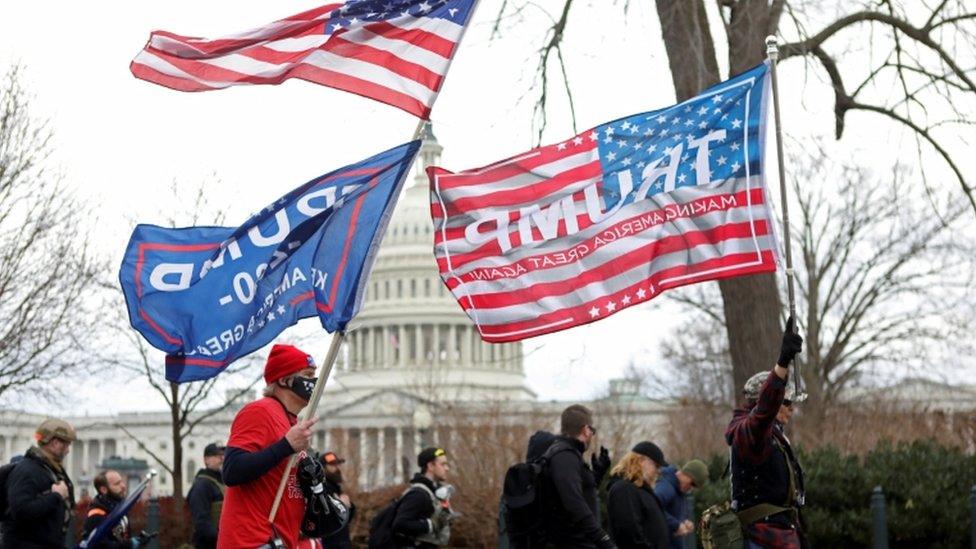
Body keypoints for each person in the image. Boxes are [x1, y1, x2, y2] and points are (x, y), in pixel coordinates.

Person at [218, 344, 320, 549]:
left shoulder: (291, 422)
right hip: (252, 541)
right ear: (284, 380)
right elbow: (232, 470)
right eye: (308, 375)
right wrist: (286, 446)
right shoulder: (260, 411)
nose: (314, 382)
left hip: (280, 541)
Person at [725, 318, 807, 548]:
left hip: (781, 534)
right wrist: (782, 363)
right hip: (762, 538)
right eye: (787, 401)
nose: (791, 408)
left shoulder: (773, 435)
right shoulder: (751, 433)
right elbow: (763, 414)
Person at [541, 404, 615, 549]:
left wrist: (596, 476)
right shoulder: (565, 456)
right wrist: (604, 540)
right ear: (586, 430)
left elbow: (576, 494)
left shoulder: (568, 454)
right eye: (592, 430)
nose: (592, 435)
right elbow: (574, 503)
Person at [1, 418, 76, 549]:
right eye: (66, 445)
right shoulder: (27, 470)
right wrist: (55, 496)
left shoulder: (51, 469)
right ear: (55, 443)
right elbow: (21, 511)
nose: (68, 450)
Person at [605, 442, 670, 549]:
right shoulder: (623, 489)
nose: (658, 471)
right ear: (640, 461)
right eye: (656, 466)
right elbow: (629, 535)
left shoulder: (641, 490)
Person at [391, 447, 455, 548]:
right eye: (443, 464)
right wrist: (431, 525)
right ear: (430, 466)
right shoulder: (418, 494)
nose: (447, 468)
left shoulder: (434, 492)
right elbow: (400, 524)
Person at [82, 470, 151, 548]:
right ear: (103, 490)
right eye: (117, 484)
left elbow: (121, 538)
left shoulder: (120, 508)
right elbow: (99, 546)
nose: (123, 486)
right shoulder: (96, 515)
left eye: (121, 482)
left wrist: (138, 541)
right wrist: (129, 544)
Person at [653, 459, 708, 549]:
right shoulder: (667, 487)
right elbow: (653, 507)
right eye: (692, 483)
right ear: (687, 474)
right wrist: (676, 525)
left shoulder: (678, 489)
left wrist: (684, 522)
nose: (691, 488)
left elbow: (672, 512)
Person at [187, 443, 226, 549]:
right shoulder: (202, 485)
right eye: (218, 456)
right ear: (206, 460)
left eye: (223, 455)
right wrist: (222, 539)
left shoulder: (223, 482)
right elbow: (202, 523)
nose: (222, 459)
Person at [320, 451, 354, 549]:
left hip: (342, 542)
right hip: (330, 544)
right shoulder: (321, 488)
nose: (338, 468)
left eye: (338, 464)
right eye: (333, 465)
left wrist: (349, 507)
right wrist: (341, 505)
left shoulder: (336, 487)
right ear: (323, 467)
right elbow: (324, 517)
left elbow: (346, 520)